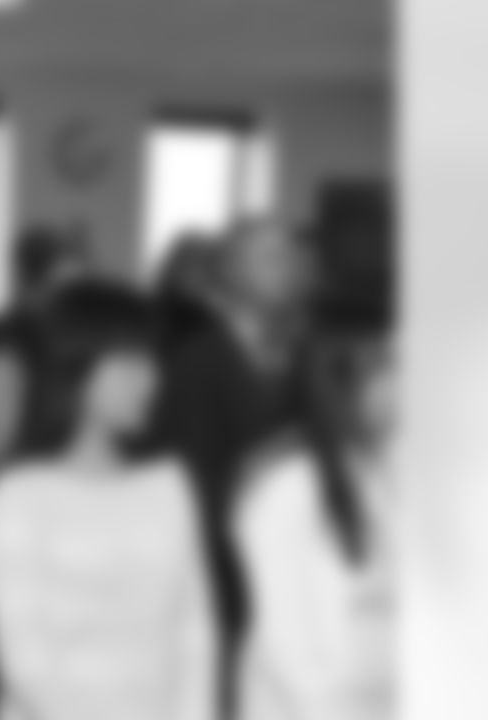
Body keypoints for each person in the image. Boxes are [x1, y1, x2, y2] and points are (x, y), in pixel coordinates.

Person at [0, 280, 214, 720]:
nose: (151, 379)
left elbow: (194, 635)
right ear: (75, 367)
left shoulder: (167, 486)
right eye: (130, 362)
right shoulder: (16, 497)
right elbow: (25, 664)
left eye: (152, 360)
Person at [149, 217, 315, 720]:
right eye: (271, 256)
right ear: (231, 273)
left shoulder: (306, 354)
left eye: (291, 254)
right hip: (223, 584)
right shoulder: (196, 362)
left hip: (298, 578)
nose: (289, 267)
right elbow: (190, 489)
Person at [237, 329, 395, 720]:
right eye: (392, 367)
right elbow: (288, 644)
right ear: (347, 380)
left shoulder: (382, 472)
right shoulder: (286, 485)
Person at [0, 223, 93, 467]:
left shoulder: (82, 340)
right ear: (35, 285)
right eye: (67, 287)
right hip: (27, 473)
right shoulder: (7, 344)